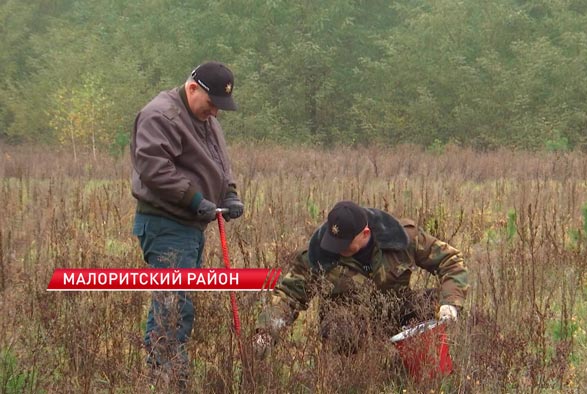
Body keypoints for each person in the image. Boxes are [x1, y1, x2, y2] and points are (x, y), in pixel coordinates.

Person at [130, 61, 244, 386]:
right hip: (165, 225)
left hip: (191, 226)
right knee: (172, 304)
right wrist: (196, 200)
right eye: (212, 104)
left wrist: (230, 193)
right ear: (193, 88)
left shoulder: (206, 118)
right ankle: (167, 379)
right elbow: (155, 169)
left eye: (220, 108)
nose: (216, 113)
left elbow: (220, 161)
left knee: (178, 300)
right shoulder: (159, 115)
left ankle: (172, 374)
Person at [254, 200, 468, 357]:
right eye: (335, 242)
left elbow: (450, 260)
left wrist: (450, 304)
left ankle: (417, 366)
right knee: (341, 328)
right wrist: (265, 332)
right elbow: (289, 296)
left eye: (346, 243)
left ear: (365, 233)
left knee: (433, 304)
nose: (338, 249)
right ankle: (357, 376)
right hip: (346, 323)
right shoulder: (317, 254)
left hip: (396, 312)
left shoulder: (402, 238)